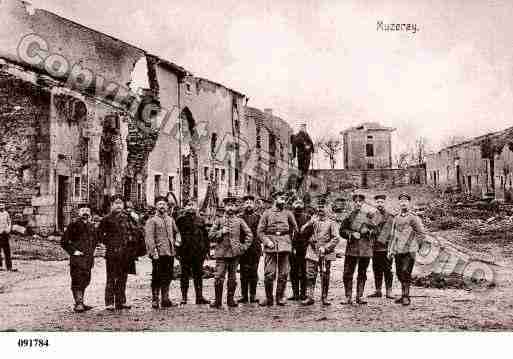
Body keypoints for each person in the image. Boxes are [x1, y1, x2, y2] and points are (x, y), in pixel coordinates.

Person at [208, 196, 253, 309]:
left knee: (232, 279)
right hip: (221, 254)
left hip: (234, 254)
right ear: (224, 206)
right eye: (228, 205)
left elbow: (249, 234)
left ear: (236, 207)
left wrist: (243, 247)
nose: (230, 208)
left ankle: (230, 300)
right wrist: (221, 232)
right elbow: (210, 235)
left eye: (232, 205)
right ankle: (218, 301)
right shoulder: (218, 220)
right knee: (218, 277)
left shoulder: (239, 221)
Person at [257, 191, 299, 306]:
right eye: (281, 197)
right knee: (269, 273)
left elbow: (296, 229)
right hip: (271, 246)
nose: (284, 200)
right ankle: (269, 298)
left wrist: (290, 242)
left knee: (284, 273)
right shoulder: (266, 213)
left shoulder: (288, 213)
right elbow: (260, 232)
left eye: (284, 198)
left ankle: (280, 297)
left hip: (285, 246)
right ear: (275, 199)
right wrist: (267, 241)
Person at [98, 194, 138, 311]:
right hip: (112, 252)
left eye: (121, 203)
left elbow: (135, 230)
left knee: (123, 277)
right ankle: (109, 302)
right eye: (116, 203)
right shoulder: (107, 219)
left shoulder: (128, 217)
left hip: (126, 252)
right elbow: (99, 234)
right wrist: (108, 243)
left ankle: (121, 301)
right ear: (112, 205)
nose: (119, 205)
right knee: (111, 277)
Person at [387, 193, 427, 306]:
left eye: (405, 200)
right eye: (401, 201)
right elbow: (392, 235)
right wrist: (390, 250)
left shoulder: (413, 217)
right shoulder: (396, 218)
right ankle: (403, 294)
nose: (403, 203)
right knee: (399, 273)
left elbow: (421, 234)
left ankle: (406, 296)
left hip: (410, 251)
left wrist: (415, 246)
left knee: (406, 271)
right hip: (398, 250)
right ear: (399, 203)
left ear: (409, 203)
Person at [300, 199, 341, 306]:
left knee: (325, 275)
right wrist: (309, 223)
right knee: (310, 275)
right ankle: (310, 297)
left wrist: (326, 248)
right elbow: (302, 231)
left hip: (325, 253)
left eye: (323, 206)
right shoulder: (312, 221)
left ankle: (324, 297)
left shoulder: (332, 222)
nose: (321, 209)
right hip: (312, 251)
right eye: (319, 206)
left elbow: (336, 238)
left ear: (327, 208)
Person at [145, 196, 182, 309]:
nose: (162, 206)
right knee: (157, 276)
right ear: (156, 206)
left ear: (167, 206)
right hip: (158, 253)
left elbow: (177, 232)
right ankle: (155, 299)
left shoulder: (170, 220)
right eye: (159, 204)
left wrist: (178, 241)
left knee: (168, 275)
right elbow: (149, 238)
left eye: (164, 204)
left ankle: (165, 298)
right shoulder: (152, 221)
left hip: (169, 252)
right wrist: (153, 251)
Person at [339, 193, 375, 305]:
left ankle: (360, 296)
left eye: (360, 201)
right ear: (353, 203)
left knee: (362, 273)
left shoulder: (370, 216)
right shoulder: (349, 216)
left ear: (364, 203)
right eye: (356, 201)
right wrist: (351, 233)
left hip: (365, 249)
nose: (358, 203)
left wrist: (368, 231)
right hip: (352, 249)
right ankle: (348, 297)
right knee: (347, 273)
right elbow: (342, 231)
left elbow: (378, 231)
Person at [61, 206, 97, 312]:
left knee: (86, 280)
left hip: (88, 258)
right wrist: (74, 251)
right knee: (77, 280)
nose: (85, 213)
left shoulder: (91, 226)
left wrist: (92, 251)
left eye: (87, 211)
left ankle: (81, 301)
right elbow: (64, 242)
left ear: (90, 213)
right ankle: (78, 303)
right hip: (77, 259)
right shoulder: (74, 225)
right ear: (78, 213)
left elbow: (95, 240)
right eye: (82, 211)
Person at [175, 201, 210, 305]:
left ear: (196, 207)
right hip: (185, 252)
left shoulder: (201, 220)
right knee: (184, 274)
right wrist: (177, 251)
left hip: (199, 252)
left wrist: (207, 250)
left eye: (193, 205)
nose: (191, 207)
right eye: (188, 205)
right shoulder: (180, 220)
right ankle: (184, 297)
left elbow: (205, 236)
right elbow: (177, 236)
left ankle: (199, 297)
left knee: (198, 274)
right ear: (185, 207)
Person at [368, 194, 395, 299]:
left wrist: (391, 248)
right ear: (375, 203)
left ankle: (389, 291)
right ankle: (378, 290)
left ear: (385, 203)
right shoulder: (372, 216)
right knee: (376, 269)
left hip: (386, 248)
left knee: (388, 269)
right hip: (375, 248)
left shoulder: (390, 216)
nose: (379, 204)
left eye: (381, 202)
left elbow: (392, 233)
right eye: (378, 202)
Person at [238, 195, 262, 304]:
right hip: (243, 248)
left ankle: (252, 295)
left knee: (254, 272)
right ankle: (244, 296)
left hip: (255, 249)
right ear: (243, 205)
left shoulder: (259, 217)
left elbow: (262, 232)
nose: (248, 205)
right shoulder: (239, 218)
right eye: (246, 203)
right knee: (243, 273)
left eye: (250, 203)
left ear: (254, 205)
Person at [288, 198, 310, 301]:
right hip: (292, 247)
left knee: (304, 271)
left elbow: (311, 232)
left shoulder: (307, 217)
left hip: (304, 247)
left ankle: (303, 293)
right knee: (293, 271)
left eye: (300, 206)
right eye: (296, 206)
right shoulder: (289, 217)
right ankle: (295, 293)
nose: (298, 207)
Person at [292, 124, 315, 189]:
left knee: (305, 169)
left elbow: (311, 143)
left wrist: (312, 150)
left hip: (307, 155)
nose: (304, 129)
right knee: (301, 169)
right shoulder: (297, 136)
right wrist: (294, 155)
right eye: (303, 127)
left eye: (305, 127)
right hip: (301, 154)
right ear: (300, 128)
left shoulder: (307, 135)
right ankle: (299, 184)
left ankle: (302, 181)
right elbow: (294, 145)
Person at [0, 203, 14, 272]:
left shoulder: (6, 213)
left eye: (2, 206)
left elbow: (9, 222)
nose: (1, 207)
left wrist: (8, 229)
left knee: (7, 251)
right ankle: (0, 266)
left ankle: (9, 267)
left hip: (5, 234)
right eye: (0, 206)